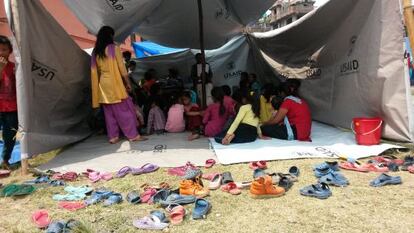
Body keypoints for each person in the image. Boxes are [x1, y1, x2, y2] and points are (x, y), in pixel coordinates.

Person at [91, 26, 146, 144]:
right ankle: (133, 135)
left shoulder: (96, 51)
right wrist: (128, 83)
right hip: (114, 85)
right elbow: (122, 69)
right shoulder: (113, 48)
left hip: (103, 85)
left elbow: (94, 72)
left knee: (109, 114)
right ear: (110, 36)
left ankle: (113, 137)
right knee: (124, 112)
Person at [0, 36, 18, 170]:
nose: (1, 53)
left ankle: (5, 160)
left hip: (12, 108)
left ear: (10, 51)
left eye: (4, 49)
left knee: (9, 136)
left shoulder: (14, 67)